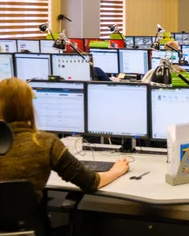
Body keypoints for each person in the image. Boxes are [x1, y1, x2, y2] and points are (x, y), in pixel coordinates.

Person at [0, 78, 129, 201]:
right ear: (29, 108)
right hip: (27, 223)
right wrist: (116, 170)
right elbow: (91, 182)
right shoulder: (45, 143)